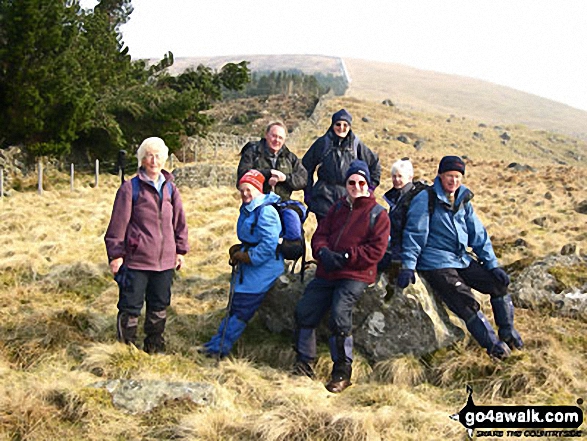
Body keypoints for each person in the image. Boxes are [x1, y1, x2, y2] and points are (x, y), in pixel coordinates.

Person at [398, 156, 523, 359]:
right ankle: (493, 347)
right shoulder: (425, 199)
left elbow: (478, 234)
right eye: (450, 176)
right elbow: (414, 233)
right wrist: (408, 265)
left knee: (498, 285)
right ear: (440, 175)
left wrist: (493, 266)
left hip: (461, 258)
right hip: (435, 262)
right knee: (465, 300)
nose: (454, 181)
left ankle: (508, 334)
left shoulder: (463, 199)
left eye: (457, 177)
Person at [293, 160, 390, 393]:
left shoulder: (378, 214)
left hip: (356, 274)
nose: (356, 186)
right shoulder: (337, 208)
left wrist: (347, 257)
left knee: (339, 313)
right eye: (351, 182)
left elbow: (376, 250)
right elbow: (320, 235)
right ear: (346, 184)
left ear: (368, 185)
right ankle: (304, 363)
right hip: (328, 270)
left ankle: (342, 371)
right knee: (305, 309)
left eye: (361, 182)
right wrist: (323, 252)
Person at [104, 137, 189, 354]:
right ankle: (126, 350)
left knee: (159, 305)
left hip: (165, 262)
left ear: (164, 159)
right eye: (149, 155)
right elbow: (117, 225)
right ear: (142, 159)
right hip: (137, 261)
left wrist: (180, 250)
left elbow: (179, 222)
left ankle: (154, 345)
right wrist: (116, 255)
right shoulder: (129, 189)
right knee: (130, 306)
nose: (153, 160)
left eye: (158, 155)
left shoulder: (171, 189)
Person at [202, 169, 284, 358]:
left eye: (249, 189)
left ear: (258, 189)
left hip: (264, 269)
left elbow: (269, 245)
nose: (245, 194)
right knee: (235, 304)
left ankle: (220, 347)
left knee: (241, 307)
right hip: (251, 269)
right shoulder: (248, 209)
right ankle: (216, 342)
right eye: (242, 190)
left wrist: (248, 257)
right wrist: (239, 249)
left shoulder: (266, 211)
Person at [302, 109, 381, 222]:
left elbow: (375, 165)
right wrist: (308, 192)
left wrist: (368, 189)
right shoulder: (323, 143)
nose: (341, 128)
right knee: (324, 234)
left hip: (349, 198)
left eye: (345, 125)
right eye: (338, 124)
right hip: (324, 199)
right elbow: (306, 167)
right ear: (332, 125)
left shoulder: (356, 145)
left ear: (350, 127)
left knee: (344, 235)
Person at [378, 158, 427, 280]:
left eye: (400, 176)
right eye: (394, 176)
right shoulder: (396, 197)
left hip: (405, 250)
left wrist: (407, 263)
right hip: (394, 246)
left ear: (410, 177)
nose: (396, 180)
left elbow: (414, 231)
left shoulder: (415, 199)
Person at [237, 121, 307, 201]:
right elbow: (242, 175)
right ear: (266, 135)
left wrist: (285, 178)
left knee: (296, 213)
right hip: (256, 203)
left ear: (284, 140)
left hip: (283, 203)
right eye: (274, 136)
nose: (277, 140)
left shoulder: (289, 157)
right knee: (267, 213)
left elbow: (303, 179)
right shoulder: (252, 153)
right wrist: (268, 173)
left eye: (280, 138)